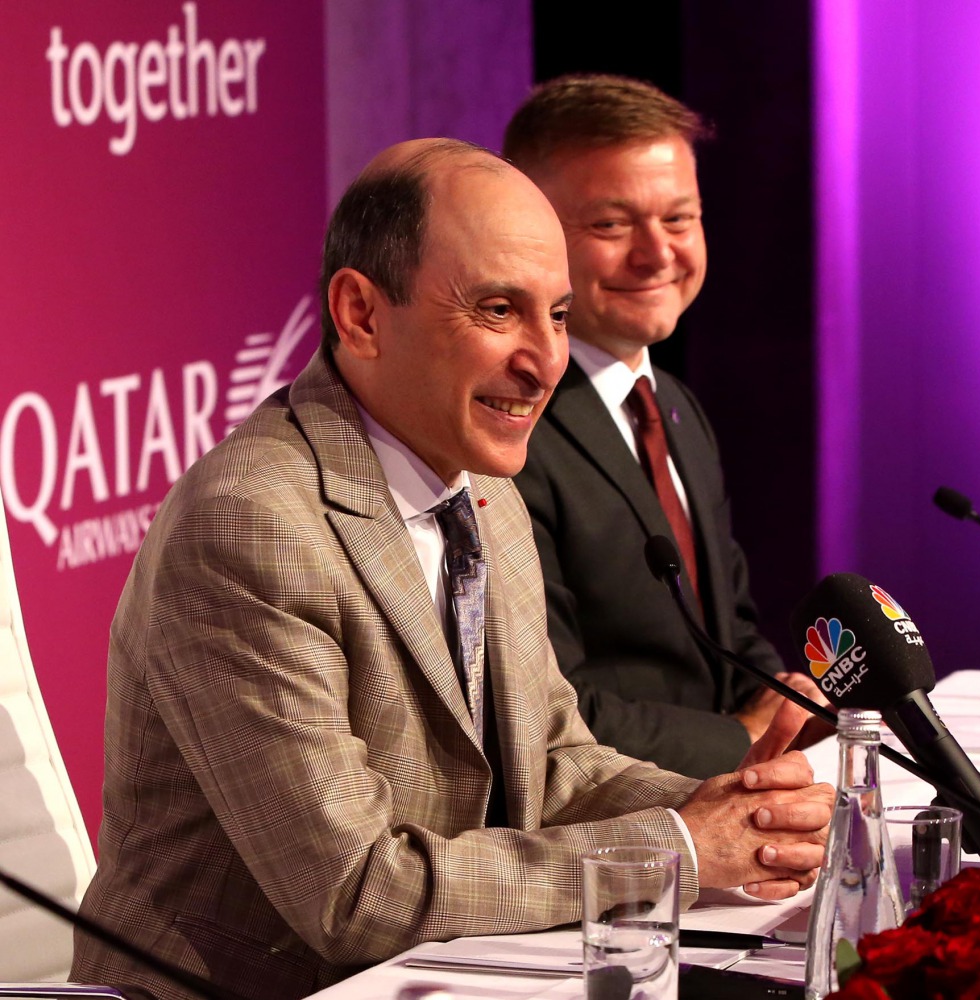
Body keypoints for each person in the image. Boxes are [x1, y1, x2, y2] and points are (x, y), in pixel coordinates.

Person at [70, 139, 832, 1000]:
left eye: (557, 314)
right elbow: (358, 892)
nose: (545, 361)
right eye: (499, 310)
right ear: (361, 314)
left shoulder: (478, 486)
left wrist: (745, 813)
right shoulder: (251, 526)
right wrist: (683, 847)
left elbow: (555, 765)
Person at [504, 75, 828, 778]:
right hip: (617, 830)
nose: (657, 254)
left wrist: (787, 702)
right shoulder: (508, 433)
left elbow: (731, 631)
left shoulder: (673, 404)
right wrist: (741, 741)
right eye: (612, 226)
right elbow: (550, 707)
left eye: (679, 219)